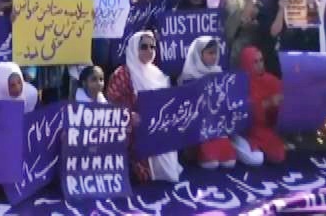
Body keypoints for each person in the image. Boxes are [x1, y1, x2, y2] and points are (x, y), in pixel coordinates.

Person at [107, 31, 183, 183]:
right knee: (143, 176)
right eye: (144, 47)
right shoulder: (122, 74)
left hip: (155, 128)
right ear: (135, 48)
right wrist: (128, 116)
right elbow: (110, 106)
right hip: (131, 131)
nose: (149, 51)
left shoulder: (158, 74)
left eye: (152, 47)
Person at [178, 36, 236, 169]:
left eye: (215, 52)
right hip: (198, 130)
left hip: (217, 127)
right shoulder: (188, 76)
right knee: (211, 164)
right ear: (199, 54)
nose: (214, 56)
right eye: (210, 53)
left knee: (230, 162)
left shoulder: (219, 72)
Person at [232, 47, 285, 165]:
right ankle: (233, 144)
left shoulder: (273, 81)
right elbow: (241, 113)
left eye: (261, 60)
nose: (260, 64)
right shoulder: (238, 83)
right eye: (255, 62)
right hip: (245, 131)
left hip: (264, 130)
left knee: (278, 155)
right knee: (257, 159)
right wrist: (267, 104)